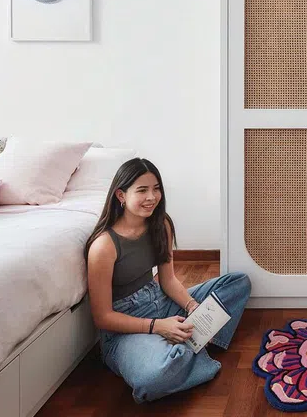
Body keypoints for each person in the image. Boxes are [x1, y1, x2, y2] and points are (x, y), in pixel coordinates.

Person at [85, 157, 250, 403]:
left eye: (156, 188)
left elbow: (168, 280)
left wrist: (193, 307)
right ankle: (188, 343)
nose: (152, 197)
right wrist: (157, 327)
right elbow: (103, 317)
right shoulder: (103, 246)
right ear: (121, 195)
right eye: (142, 190)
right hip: (126, 328)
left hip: (161, 303)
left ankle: (185, 340)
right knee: (152, 378)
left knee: (237, 283)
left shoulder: (161, 224)